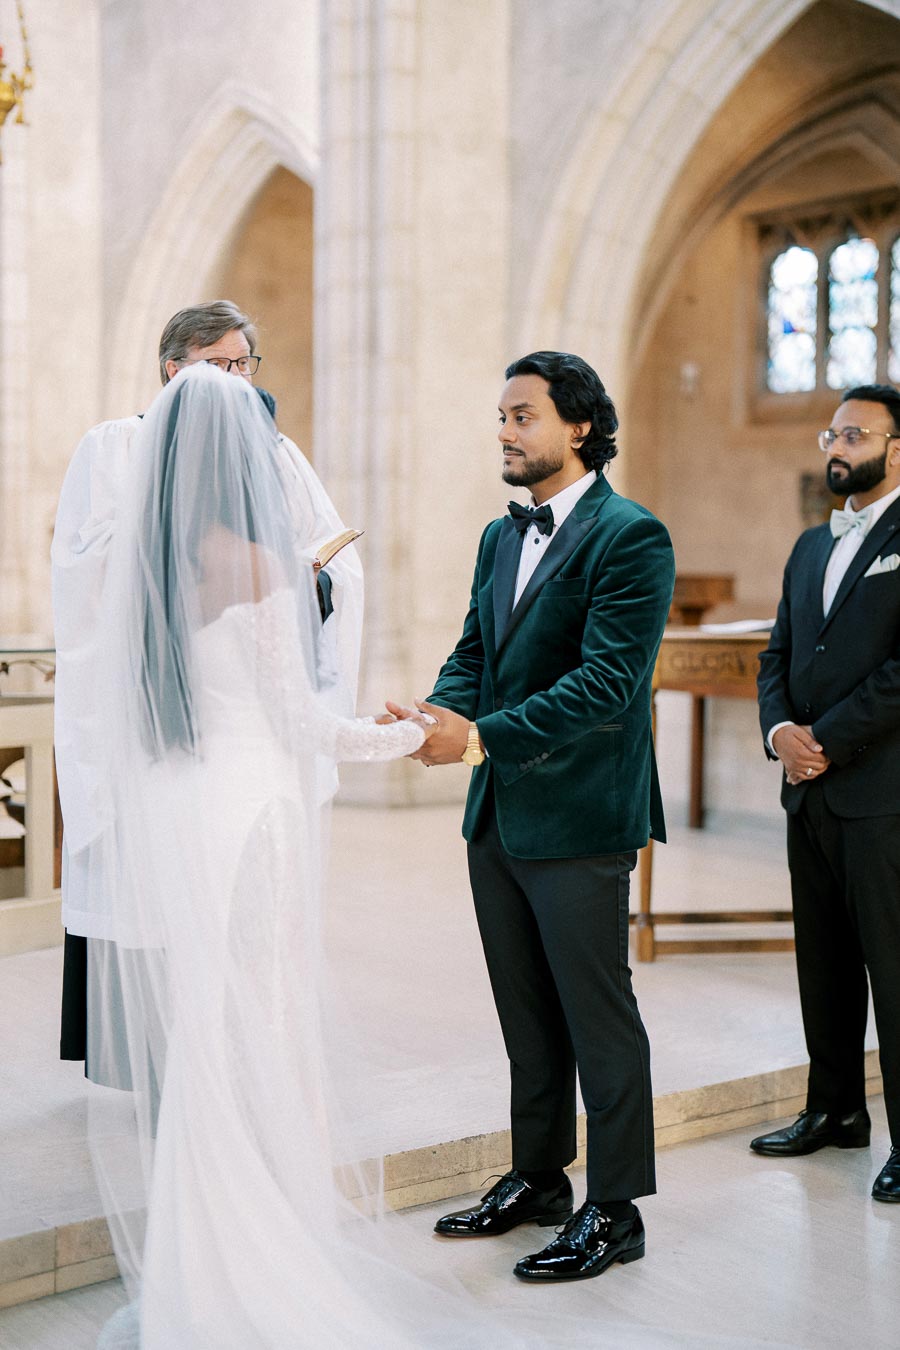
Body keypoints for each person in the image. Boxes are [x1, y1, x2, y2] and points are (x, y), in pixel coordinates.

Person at [61, 364, 450, 1348]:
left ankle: (197, 1268)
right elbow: (303, 723)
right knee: (260, 1036)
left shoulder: (144, 568)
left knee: (205, 1036)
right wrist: (408, 733)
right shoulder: (258, 565)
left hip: (184, 813)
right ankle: (255, 1273)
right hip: (251, 818)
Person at [390, 351, 675, 1282]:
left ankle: (617, 1208)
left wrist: (474, 741)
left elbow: (606, 685)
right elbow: (476, 649)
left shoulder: (632, 536)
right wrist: (439, 714)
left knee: (599, 1014)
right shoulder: (497, 538)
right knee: (526, 1011)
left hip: (584, 813)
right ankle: (539, 1177)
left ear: (579, 426)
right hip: (501, 814)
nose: (505, 432)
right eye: (501, 417)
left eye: (523, 416)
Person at [53, 300, 363, 1078]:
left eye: (244, 365)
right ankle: (163, 1063)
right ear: (173, 368)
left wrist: (292, 579)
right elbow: (84, 567)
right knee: (156, 888)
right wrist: (186, 564)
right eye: (221, 365)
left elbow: (333, 554)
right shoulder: (116, 446)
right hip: (158, 697)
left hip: (244, 693)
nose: (236, 381)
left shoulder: (277, 451)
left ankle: (229, 1066)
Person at [754, 383, 900, 1204]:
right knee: (825, 962)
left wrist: (828, 741)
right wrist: (782, 735)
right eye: (832, 433)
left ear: (897, 447)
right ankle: (835, 1110)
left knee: (895, 967)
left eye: (855, 432)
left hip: (881, 790)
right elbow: (778, 653)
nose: (837, 447)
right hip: (806, 793)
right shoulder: (811, 545)